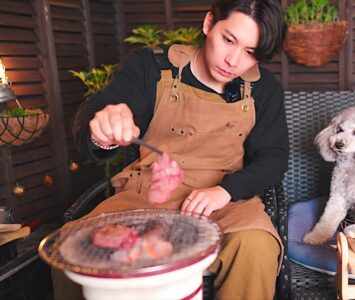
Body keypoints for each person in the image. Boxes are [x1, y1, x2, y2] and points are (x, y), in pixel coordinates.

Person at [52, 0, 288, 299]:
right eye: (228, 40)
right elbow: (98, 110)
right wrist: (103, 131)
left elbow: (274, 158)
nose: (233, 60)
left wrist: (226, 190)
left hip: (225, 201)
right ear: (208, 23)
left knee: (255, 245)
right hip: (145, 194)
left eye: (250, 52)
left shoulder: (263, 89)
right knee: (72, 250)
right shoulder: (150, 66)